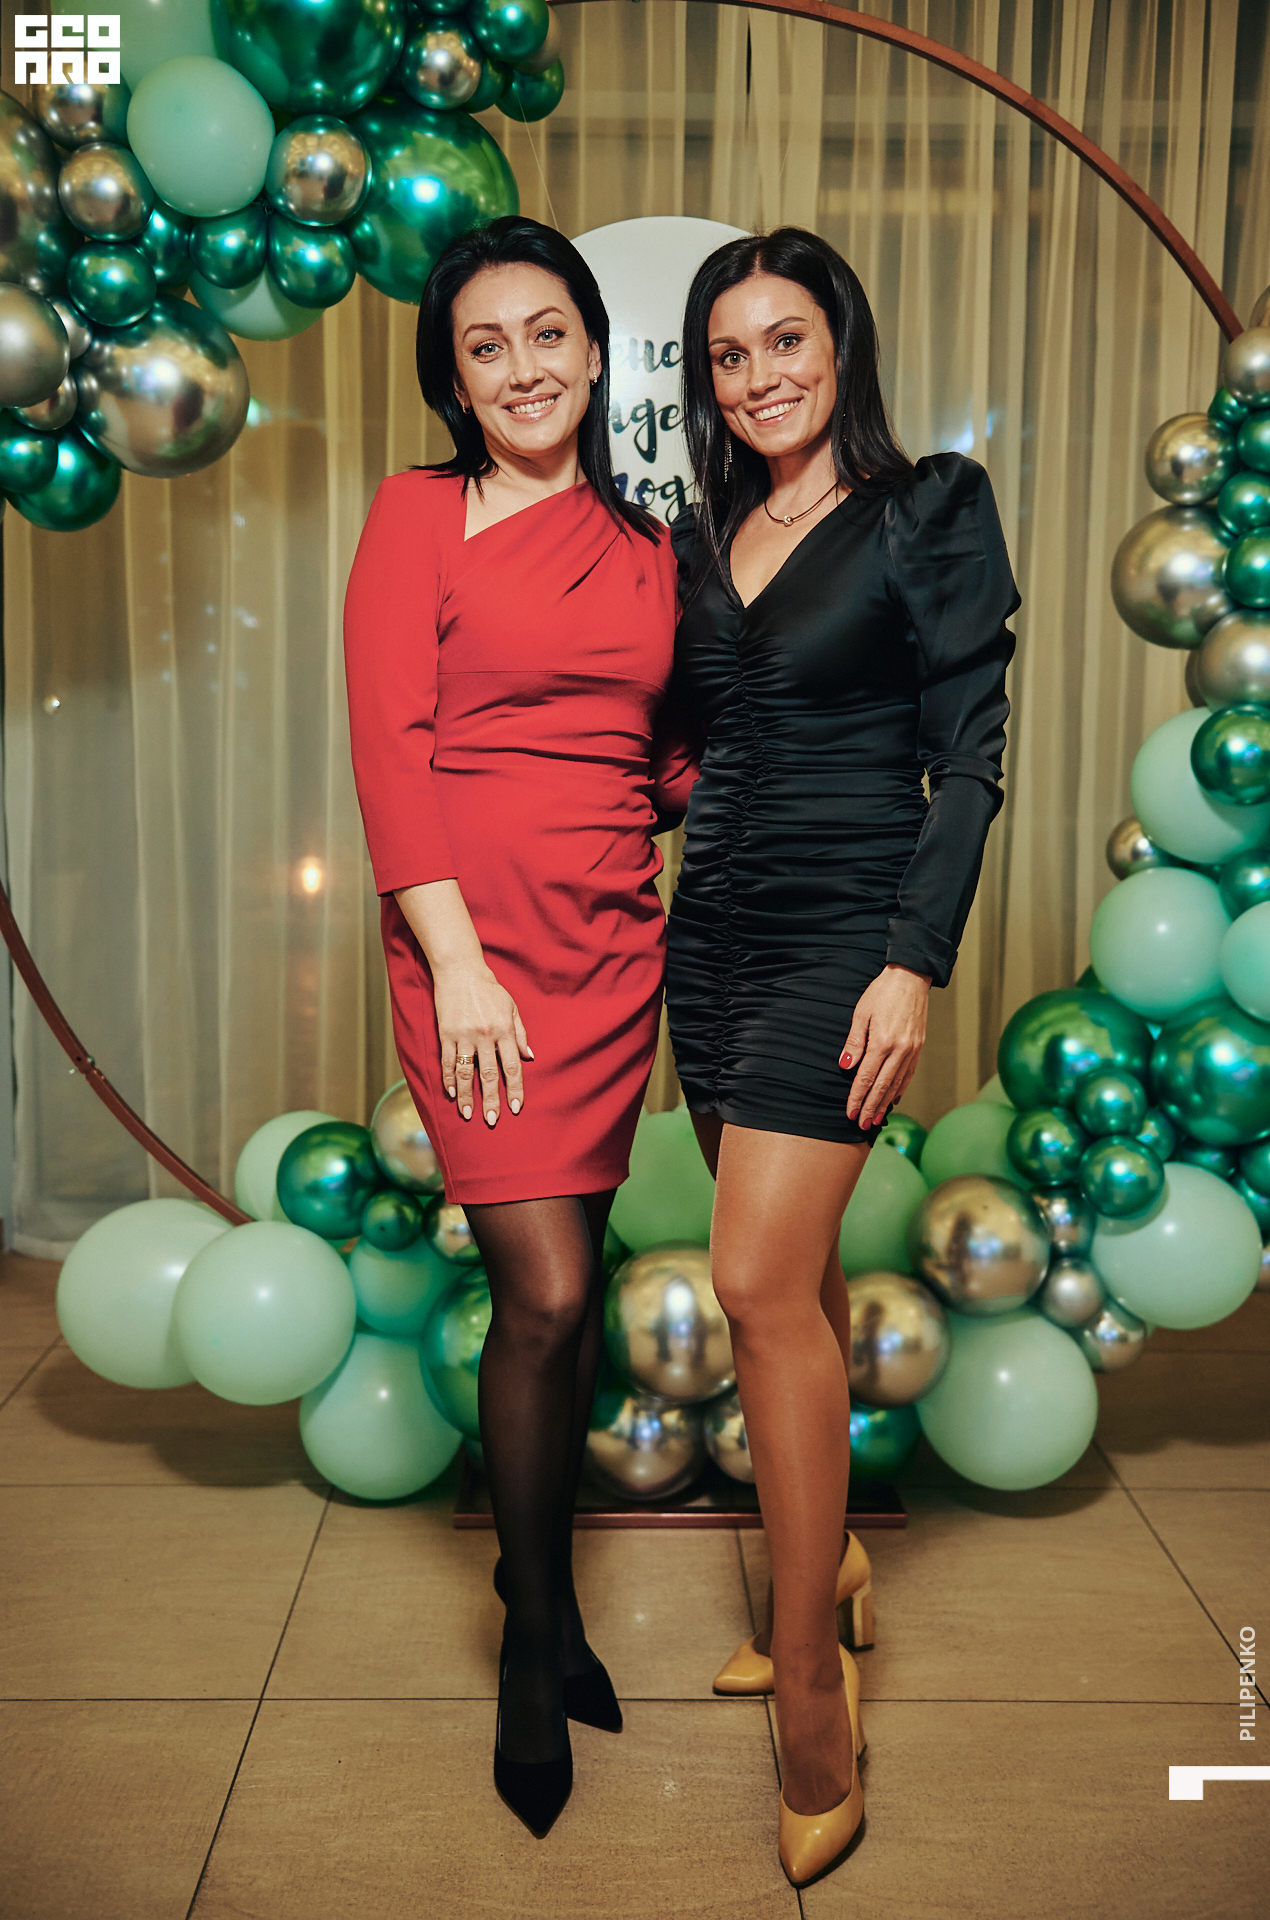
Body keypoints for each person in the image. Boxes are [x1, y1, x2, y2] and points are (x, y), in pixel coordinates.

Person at [666, 227, 1018, 1886]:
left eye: (787, 340)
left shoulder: (926, 509)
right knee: (790, 1291)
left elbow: (972, 759)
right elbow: (693, 746)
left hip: (846, 939)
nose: (761, 377)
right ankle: (837, 1575)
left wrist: (912, 963)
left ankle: (813, 1686)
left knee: (750, 1282)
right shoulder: (702, 532)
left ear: (842, 342)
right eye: (729, 355)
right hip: (712, 944)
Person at [343, 215, 696, 1840]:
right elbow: (389, 749)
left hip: (611, 942)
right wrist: (458, 963)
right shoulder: (417, 514)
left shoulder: (653, 546)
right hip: (470, 950)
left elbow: (671, 759)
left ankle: (543, 1600)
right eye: (486, 347)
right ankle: (533, 1636)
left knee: (579, 1278)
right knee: (543, 1292)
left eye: (547, 333)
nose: (523, 368)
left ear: (594, 348)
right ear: (457, 378)